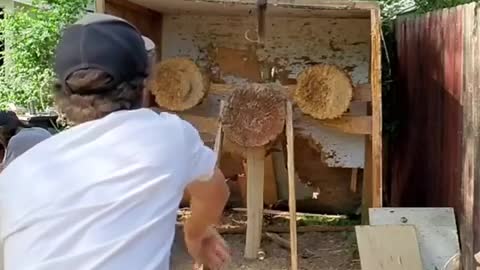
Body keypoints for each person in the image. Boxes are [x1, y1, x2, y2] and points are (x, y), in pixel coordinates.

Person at [0, 13, 230, 270]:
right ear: (144, 85)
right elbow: (216, 194)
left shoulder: (15, 177)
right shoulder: (167, 136)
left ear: (63, 94)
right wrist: (195, 234)